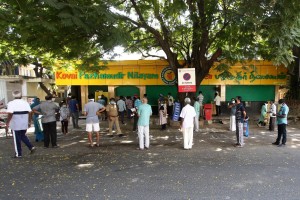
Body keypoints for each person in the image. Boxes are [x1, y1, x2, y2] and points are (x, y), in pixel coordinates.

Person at [6, 90, 36, 158]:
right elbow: (30, 112)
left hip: (15, 122)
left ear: (13, 96)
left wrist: (7, 122)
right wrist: (29, 121)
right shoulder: (25, 103)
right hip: (24, 121)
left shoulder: (11, 103)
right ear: (21, 96)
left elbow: (10, 113)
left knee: (16, 138)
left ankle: (18, 154)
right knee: (23, 135)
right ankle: (31, 147)